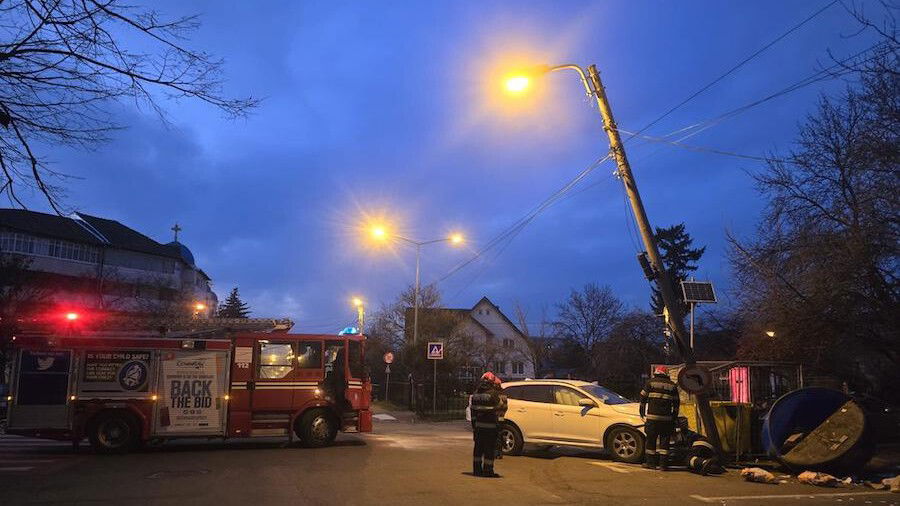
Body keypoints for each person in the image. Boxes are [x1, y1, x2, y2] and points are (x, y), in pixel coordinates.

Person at [639, 365, 679, 470]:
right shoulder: (672, 386)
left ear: (656, 372)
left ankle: (650, 463)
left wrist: (642, 412)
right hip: (666, 419)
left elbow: (642, 398)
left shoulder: (650, 383)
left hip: (652, 418)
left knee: (651, 441)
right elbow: (676, 404)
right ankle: (663, 465)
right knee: (665, 442)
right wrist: (673, 417)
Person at [470, 371, 504, 477]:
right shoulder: (493, 394)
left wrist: (474, 427)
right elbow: (501, 406)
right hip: (490, 427)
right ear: (491, 382)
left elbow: (473, 412)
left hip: (479, 427)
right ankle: (488, 471)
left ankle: (477, 470)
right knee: (489, 450)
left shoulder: (476, 394)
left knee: (478, 449)